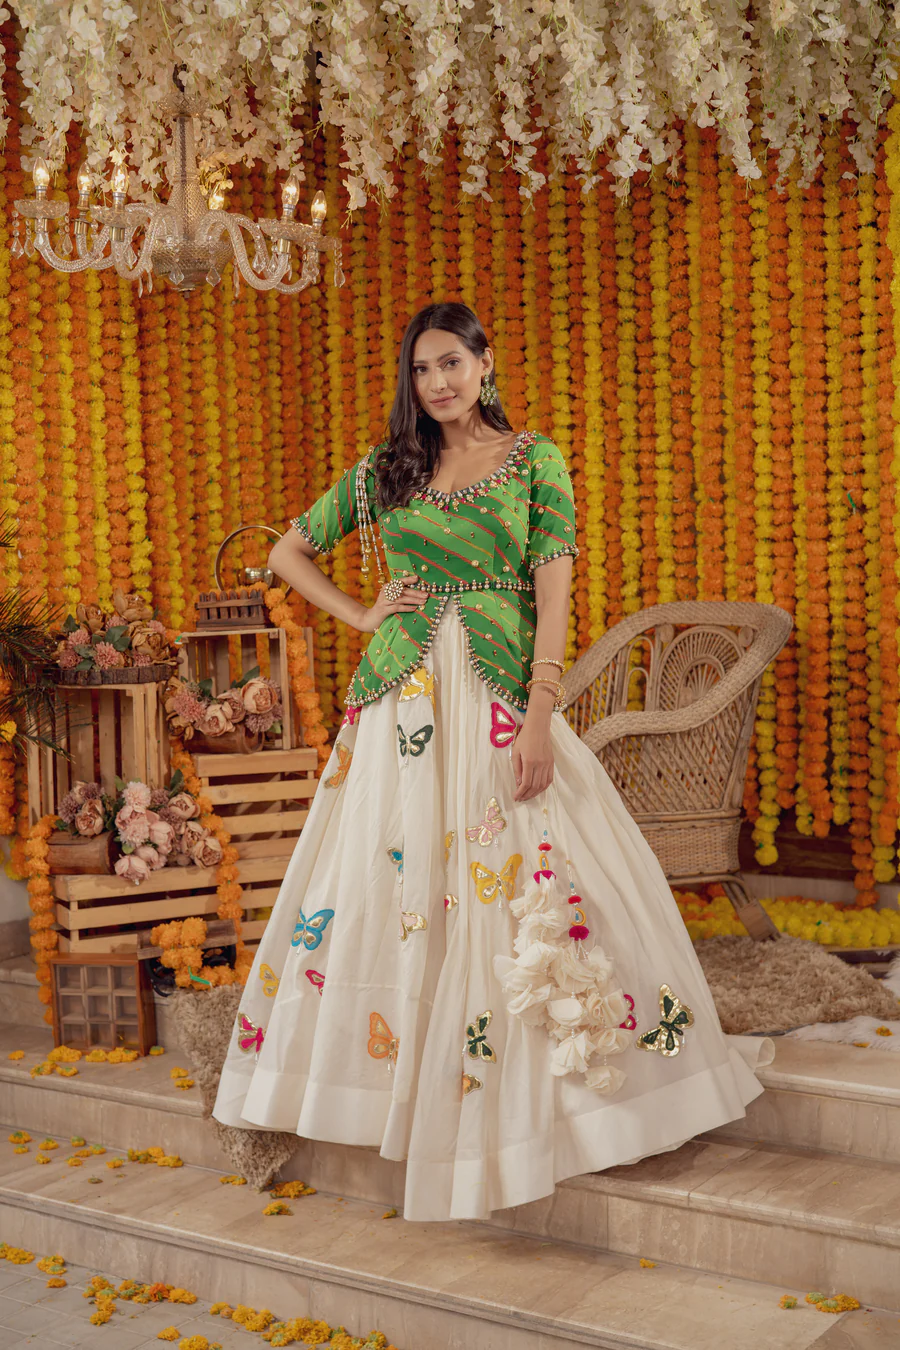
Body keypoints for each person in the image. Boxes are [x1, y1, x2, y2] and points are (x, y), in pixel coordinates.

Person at [212, 301, 773, 1222]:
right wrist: (362, 614)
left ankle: (555, 1098)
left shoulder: (534, 461)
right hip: (401, 704)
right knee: (390, 883)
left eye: (451, 363)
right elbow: (287, 551)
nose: (437, 382)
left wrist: (542, 714)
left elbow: (553, 599)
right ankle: (388, 1085)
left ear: (484, 363)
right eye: (422, 368)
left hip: (500, 695)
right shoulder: (388, 468)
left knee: (523, 878)